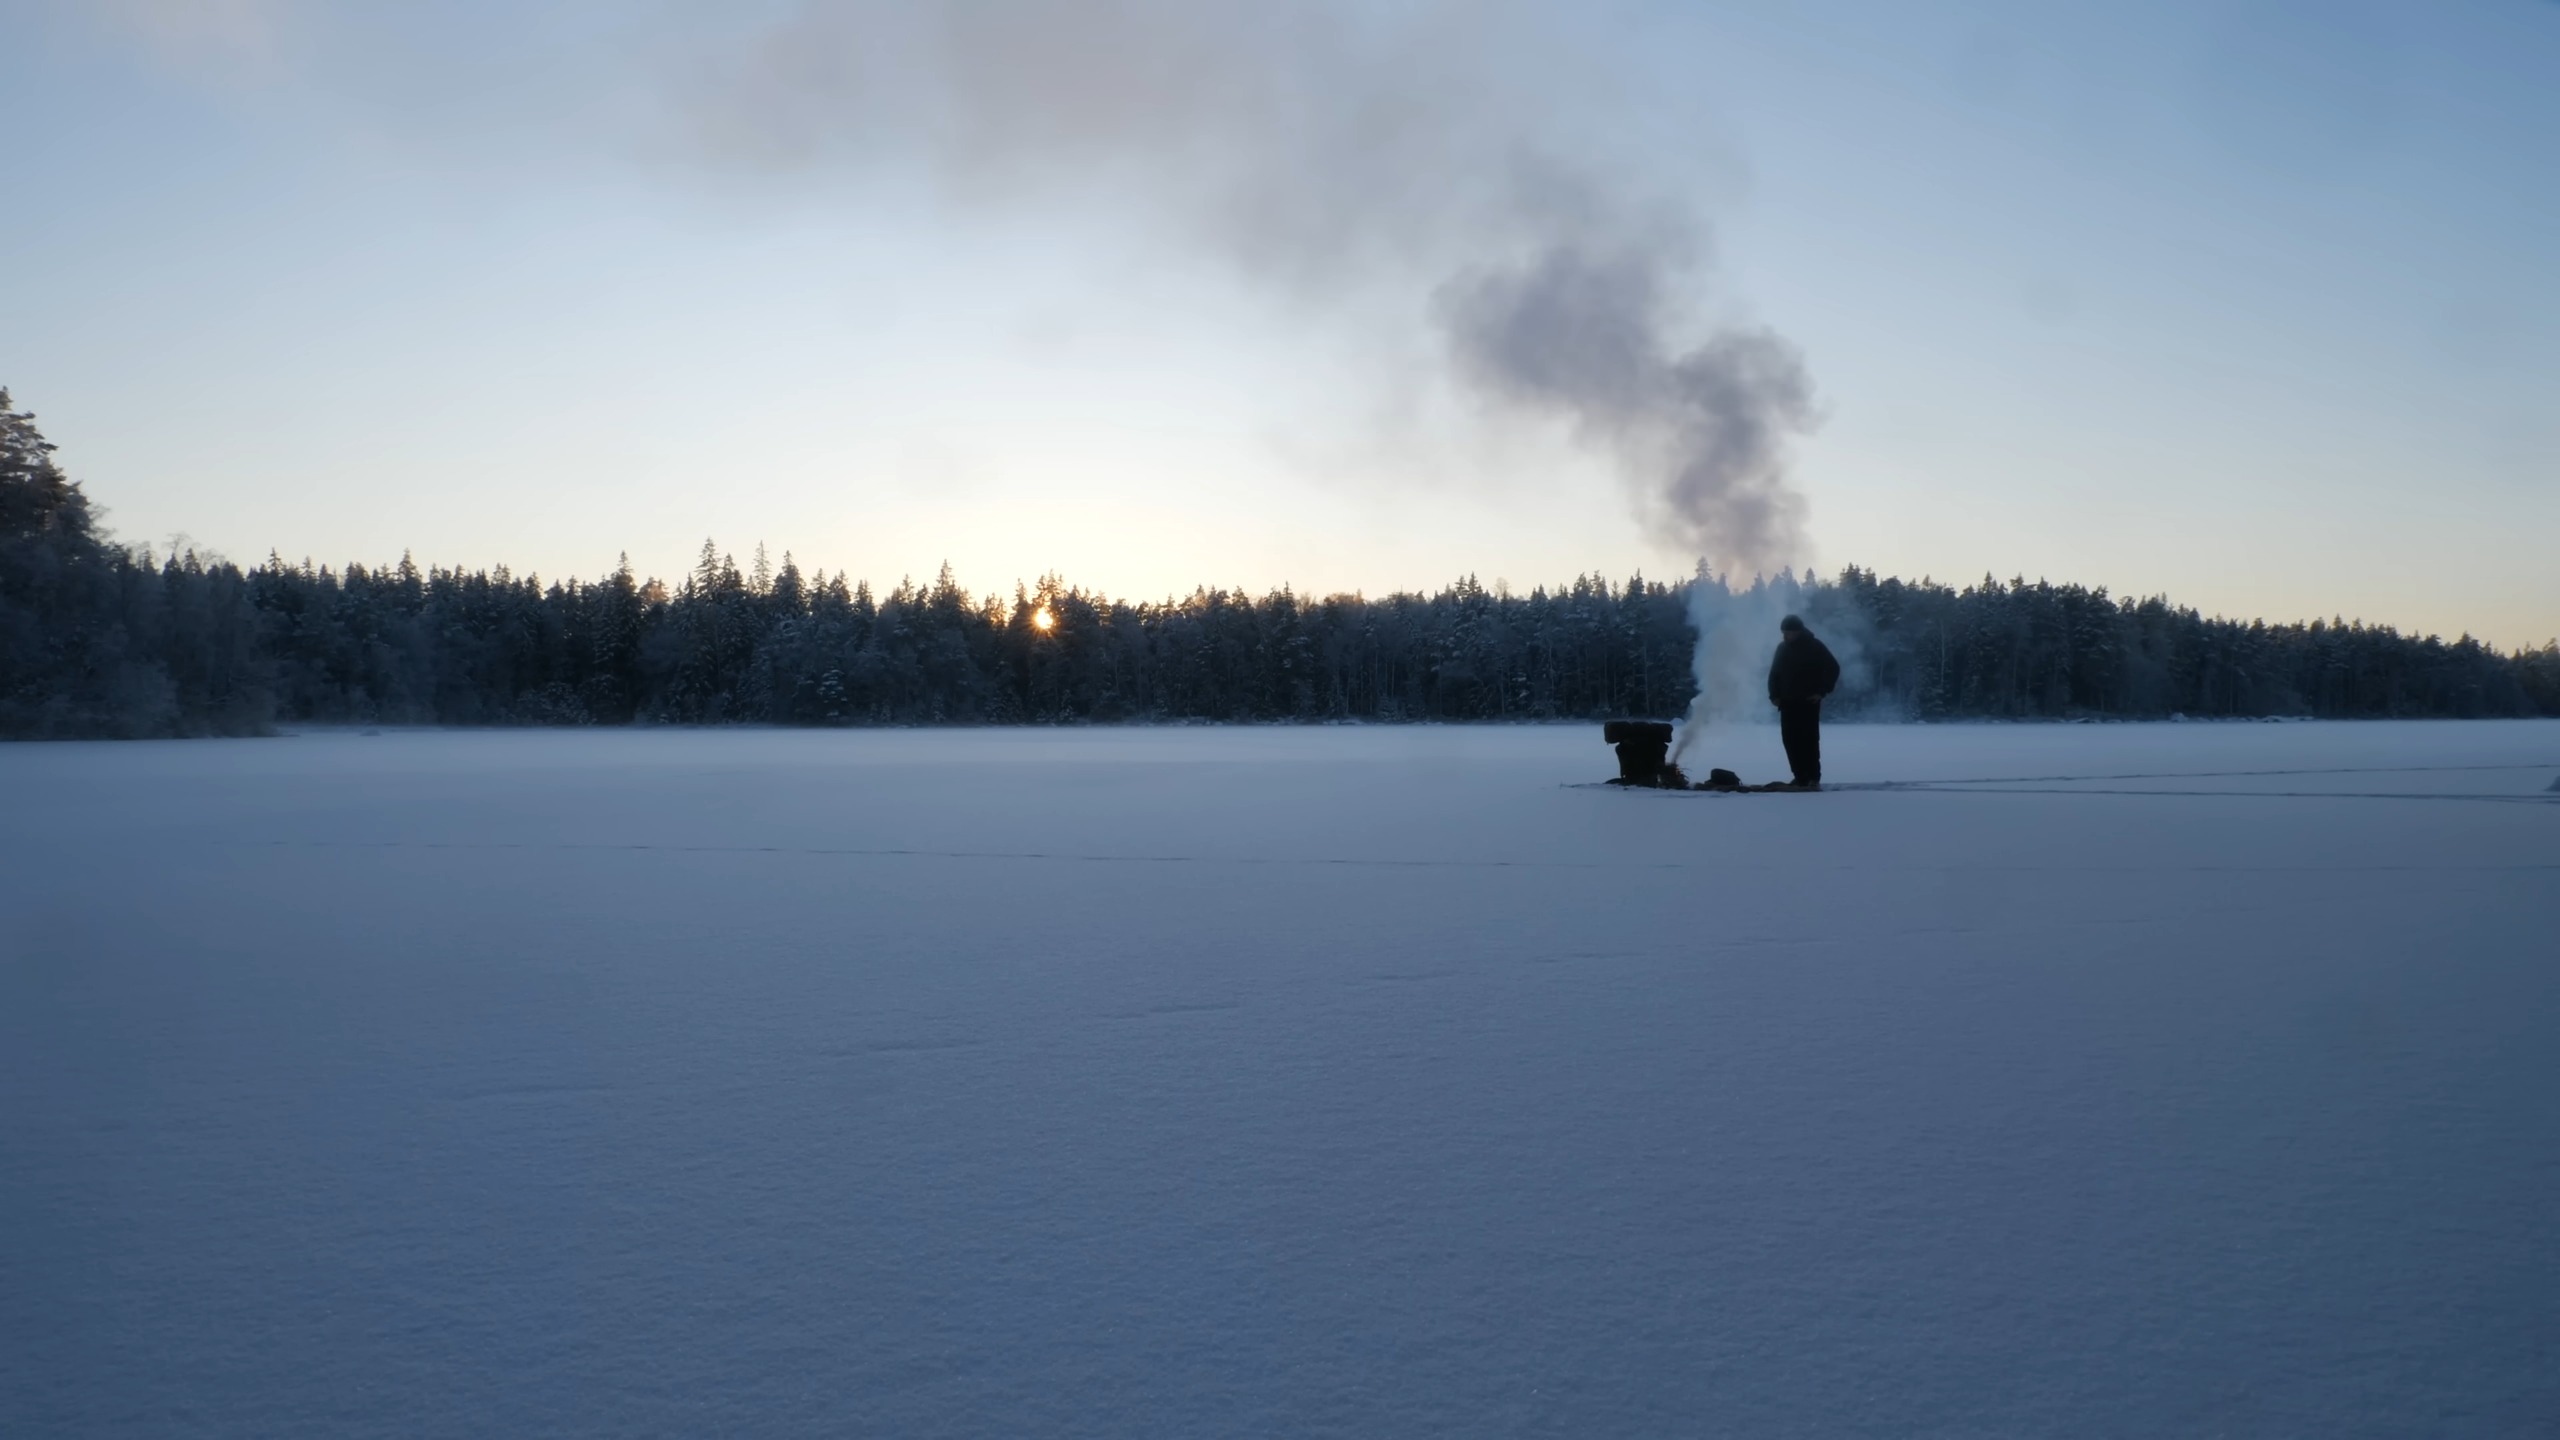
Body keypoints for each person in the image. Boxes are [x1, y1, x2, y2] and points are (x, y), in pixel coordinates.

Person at [1767, 615, 1840, 789]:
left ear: (1798, 631)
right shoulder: (1782, 648)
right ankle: (1799, 777)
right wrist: (1774, 695)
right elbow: (1774, 674)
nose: (1785, 636)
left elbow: (1833, 667)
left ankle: (1813, 778)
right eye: (1783, 633)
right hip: (1787, 703)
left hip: (1808, 702)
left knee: (1808, 740)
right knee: (1790, 741)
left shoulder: (1815, 647)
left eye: (1789, 633)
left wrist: (1822, 691)